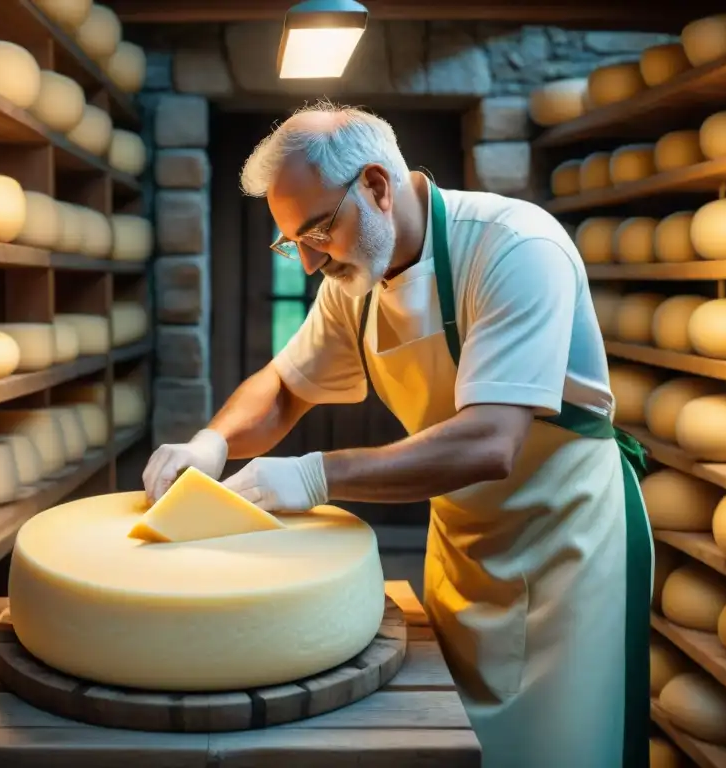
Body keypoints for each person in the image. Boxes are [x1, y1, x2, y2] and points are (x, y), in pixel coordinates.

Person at [141, 100, 652, 768]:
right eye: (290, 242)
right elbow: (286, 386)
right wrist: (210, 441)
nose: (308, 264)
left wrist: (315, 475)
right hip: (466, 547)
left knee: (560, 750)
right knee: (456, 743)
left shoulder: (514, 246)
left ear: (377, 187)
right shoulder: (353, 286)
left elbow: (491, 441)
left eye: (317, 231)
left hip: (568, 549)